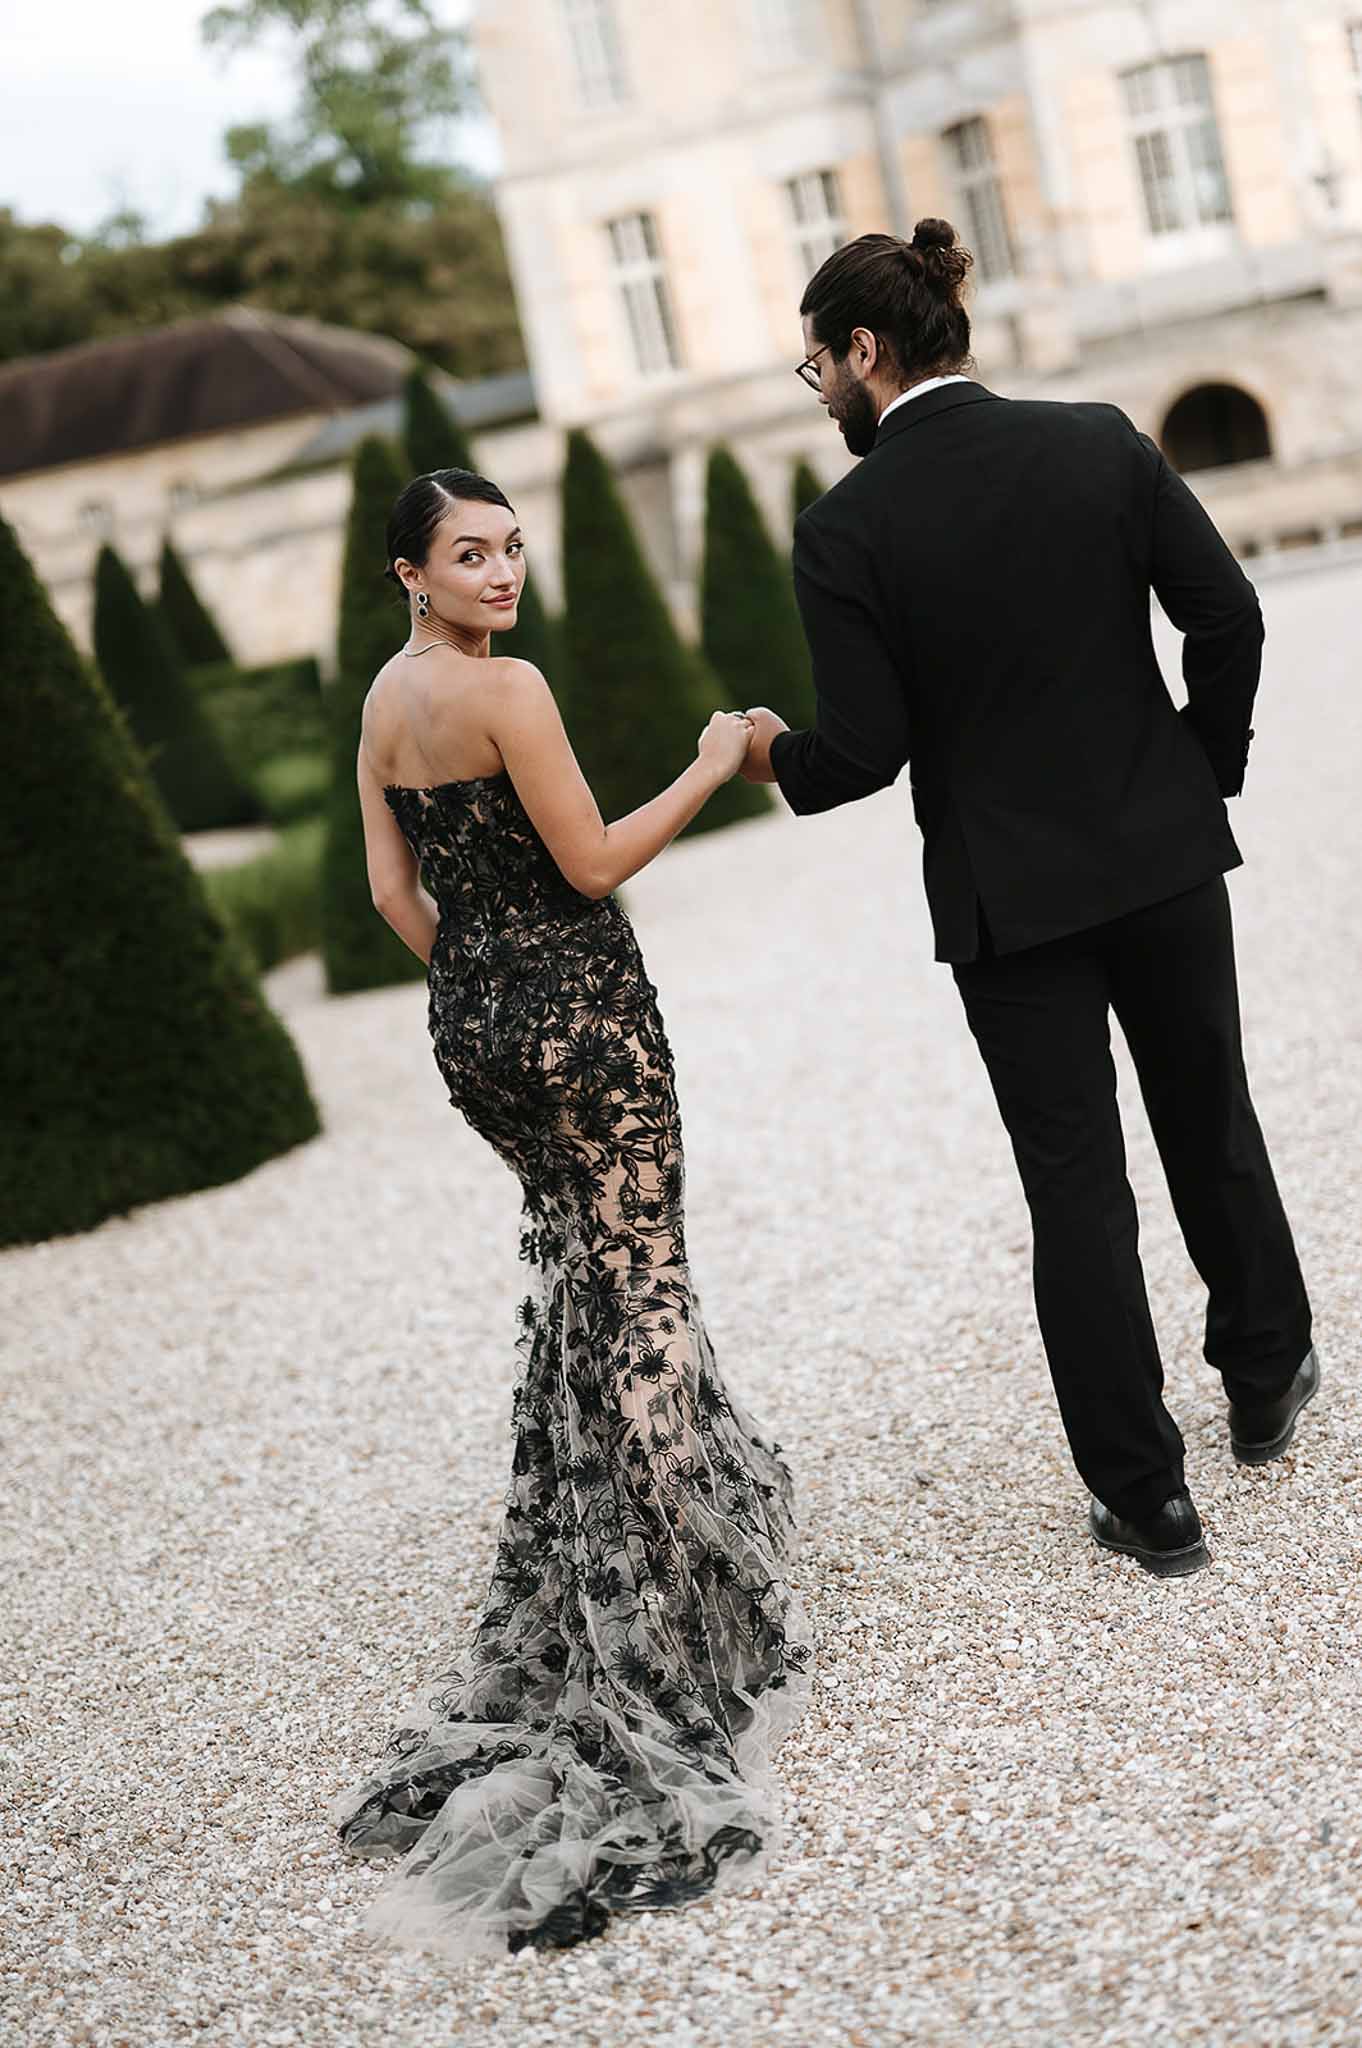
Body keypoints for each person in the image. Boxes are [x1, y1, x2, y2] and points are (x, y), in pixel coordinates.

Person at [741, 222, 1319, 1580]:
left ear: (866, 351)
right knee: (1209, 1113)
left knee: (1075, 1188)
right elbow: (1227, 616)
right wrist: (1202, 768)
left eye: (817, 367)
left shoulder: (843, 528)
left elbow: (861, 755)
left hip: (1010, 904)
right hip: (1163, 856)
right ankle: (1263, 1377)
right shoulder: (1098, 441)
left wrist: (766, 754)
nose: (819, 393)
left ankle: (1149, 1500)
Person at [330, 468, 811, 1959]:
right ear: (411, 573)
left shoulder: (382, 703)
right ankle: (671, 1618)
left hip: (475, 1029)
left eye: (511, 549)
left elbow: (392, 898)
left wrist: (483, 979)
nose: (501, 573)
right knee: (642, 1283)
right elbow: (593, 859)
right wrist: (713, 761)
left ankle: (622, 1561)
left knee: (583, 1277)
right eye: (469, 555)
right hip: (584, 1018)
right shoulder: (509, 689)